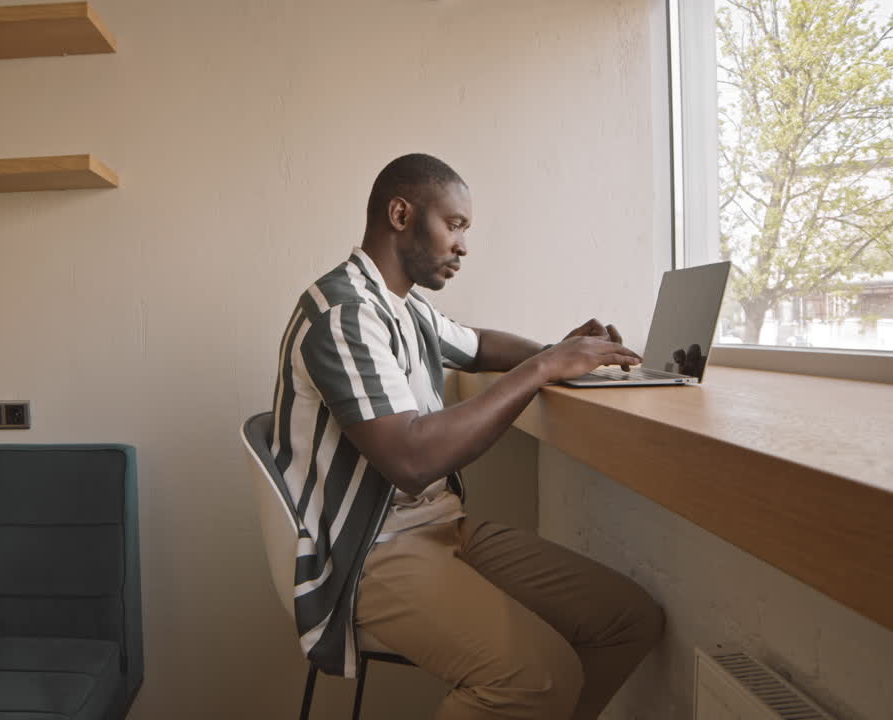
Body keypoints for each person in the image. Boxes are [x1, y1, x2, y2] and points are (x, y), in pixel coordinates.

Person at [270, 153, 665, 719]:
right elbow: (411, 460)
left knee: (628, 620)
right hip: (367, 552)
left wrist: (558, 351)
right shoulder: (343, 313)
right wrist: (544, 370)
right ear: (401, 214)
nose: (463, 245)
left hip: (438, 527)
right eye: (453, 225)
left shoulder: (404, 308)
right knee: (539, 679)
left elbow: (477, 344)